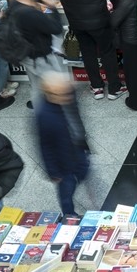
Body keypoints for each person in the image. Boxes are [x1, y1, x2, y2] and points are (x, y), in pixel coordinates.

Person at [57, 0, 122, 99]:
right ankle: (114, 88)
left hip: (76, 22)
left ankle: (97, 86)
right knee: (107, 51)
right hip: (99, 20)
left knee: (87, 53)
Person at [34, 73, 90, 218]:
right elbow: (45, 146)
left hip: (77, 147)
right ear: (49, 94)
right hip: (63, 161)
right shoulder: (44, 116)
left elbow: (76, 119)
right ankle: (69, 215)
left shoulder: (68, 97)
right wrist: (53, 172)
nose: (68, 97)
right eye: (62, 94)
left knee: (84, 172)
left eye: (68, 92)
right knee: (66, 191)